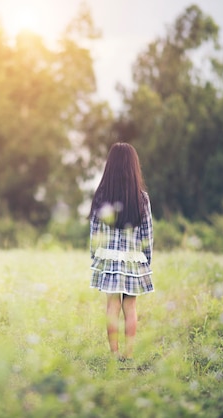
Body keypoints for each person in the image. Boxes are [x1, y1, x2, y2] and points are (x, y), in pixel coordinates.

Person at [88, 142, 154, 366]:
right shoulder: (142, 198)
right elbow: (148, 233)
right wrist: (147, 259)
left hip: (109, 259)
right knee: (131, 307)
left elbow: (95, 230)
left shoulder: (101, 196)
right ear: (134, 167)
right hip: (134, 259)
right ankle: (129, 354)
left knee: (112, 307)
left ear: (110, 167)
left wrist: (95, 257)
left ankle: (114, 355)